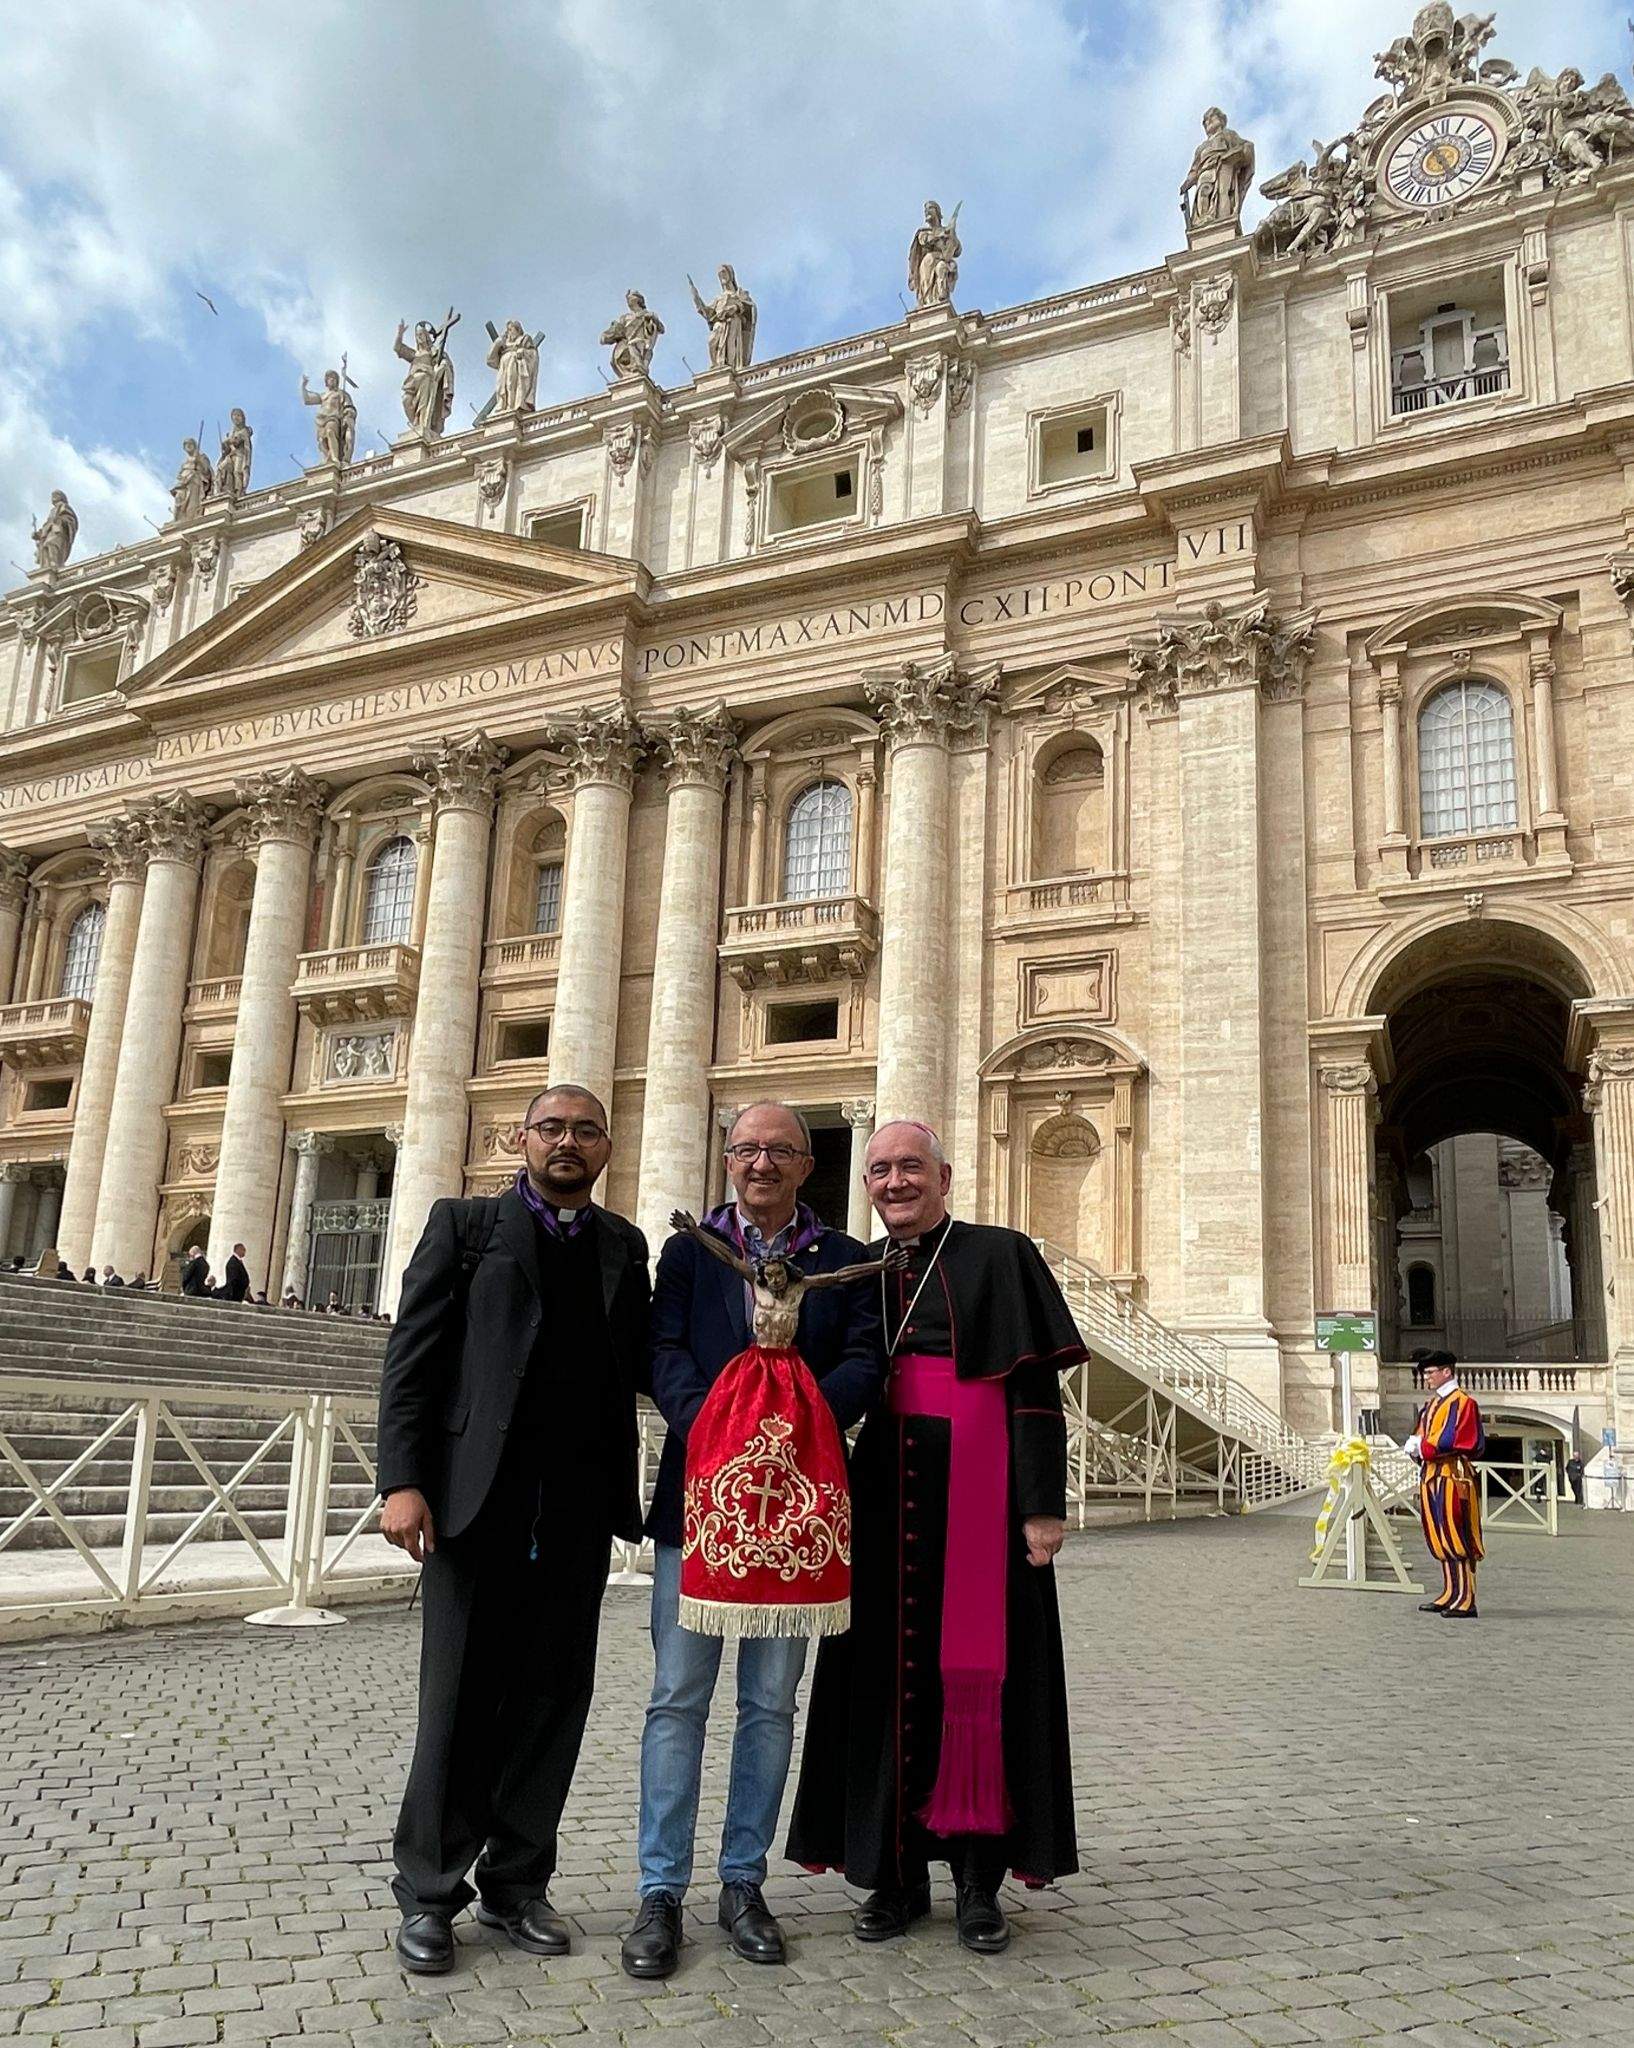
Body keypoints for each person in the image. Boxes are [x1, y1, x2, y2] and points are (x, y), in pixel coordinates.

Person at [787, 1119, 1085, 1955]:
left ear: (943, 1175)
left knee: (985, 1678)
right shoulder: (858, 1267)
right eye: (879, 1170)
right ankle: (894, 1876)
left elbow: (1031, 1391)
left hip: (983, 1494)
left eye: (909, 1167)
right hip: (885, 1491)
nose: (893, 1182)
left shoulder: (999, 1253)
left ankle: (977, 1883)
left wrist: (1041, 1506)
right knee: (882, 1679)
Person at [378, 1084, 650, 1977]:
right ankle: (429, 1892)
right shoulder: (464, 1225)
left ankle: (517, 1885)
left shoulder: (622, 1244)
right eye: (551, 1129)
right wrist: (403, 1482)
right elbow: (411, 1359)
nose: (567, 1143)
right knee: (456, 1699)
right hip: (473, 1500)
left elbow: (642, 1363)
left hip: (574, 1506)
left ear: (606, 1147)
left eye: (584, 1130)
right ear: (521, 1139)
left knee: (551, 1703)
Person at [620, 1103, 887, 1982]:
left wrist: (798, 1422)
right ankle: (660, 1891)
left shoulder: (846, 1260)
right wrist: (718, 1429)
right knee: (676, 1697)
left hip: (795, 1506)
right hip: (699, 1497)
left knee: (771, 1703)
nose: (760, 1163)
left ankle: (743, 1881)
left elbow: (863, 1361)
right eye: (745, 1149)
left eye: (779, 1150)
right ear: (727, 1159)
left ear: (810, 1163)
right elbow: (662, 1350)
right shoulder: (692, 1249)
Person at [1406, 1350, 1485, 1620]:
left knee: (1458, 1536)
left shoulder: (1463, 1402)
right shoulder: (1431, 1405)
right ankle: (1451, 1592)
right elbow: (1423, 1434)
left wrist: (1422, 1446)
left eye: (1430, 1372)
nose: (1426, 1377)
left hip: (1453, 1475)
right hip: (1431, 1475)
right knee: (1440, 1537)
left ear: (1446, 1372)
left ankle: (1467, 1598)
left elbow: (1452, 1439)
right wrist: (1415, 1446)